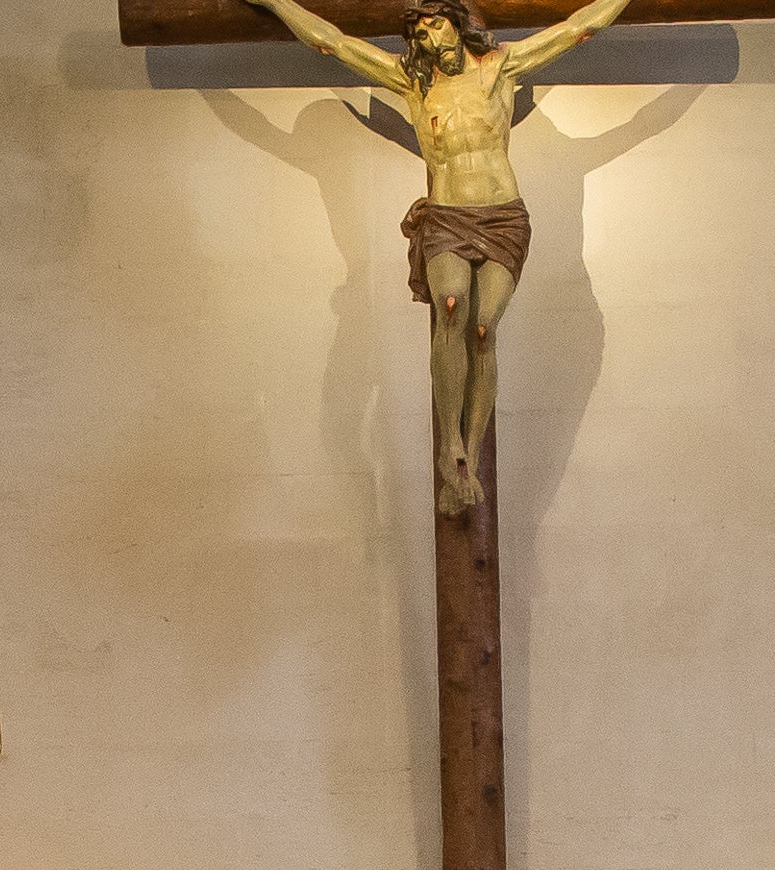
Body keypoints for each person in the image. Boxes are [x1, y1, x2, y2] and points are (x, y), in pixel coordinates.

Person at [238, 0, 642, 514]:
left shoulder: (502, 68)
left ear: (458, 22)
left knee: (483, 329)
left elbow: (578, 28)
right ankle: (449, 446)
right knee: (450, 306)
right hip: (448, 215)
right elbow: (331, 43)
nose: (432, 38)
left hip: (503, 216)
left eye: (438, 25)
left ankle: (467, 460)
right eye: (422, 32)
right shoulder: (414, 85)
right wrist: (275, 2)